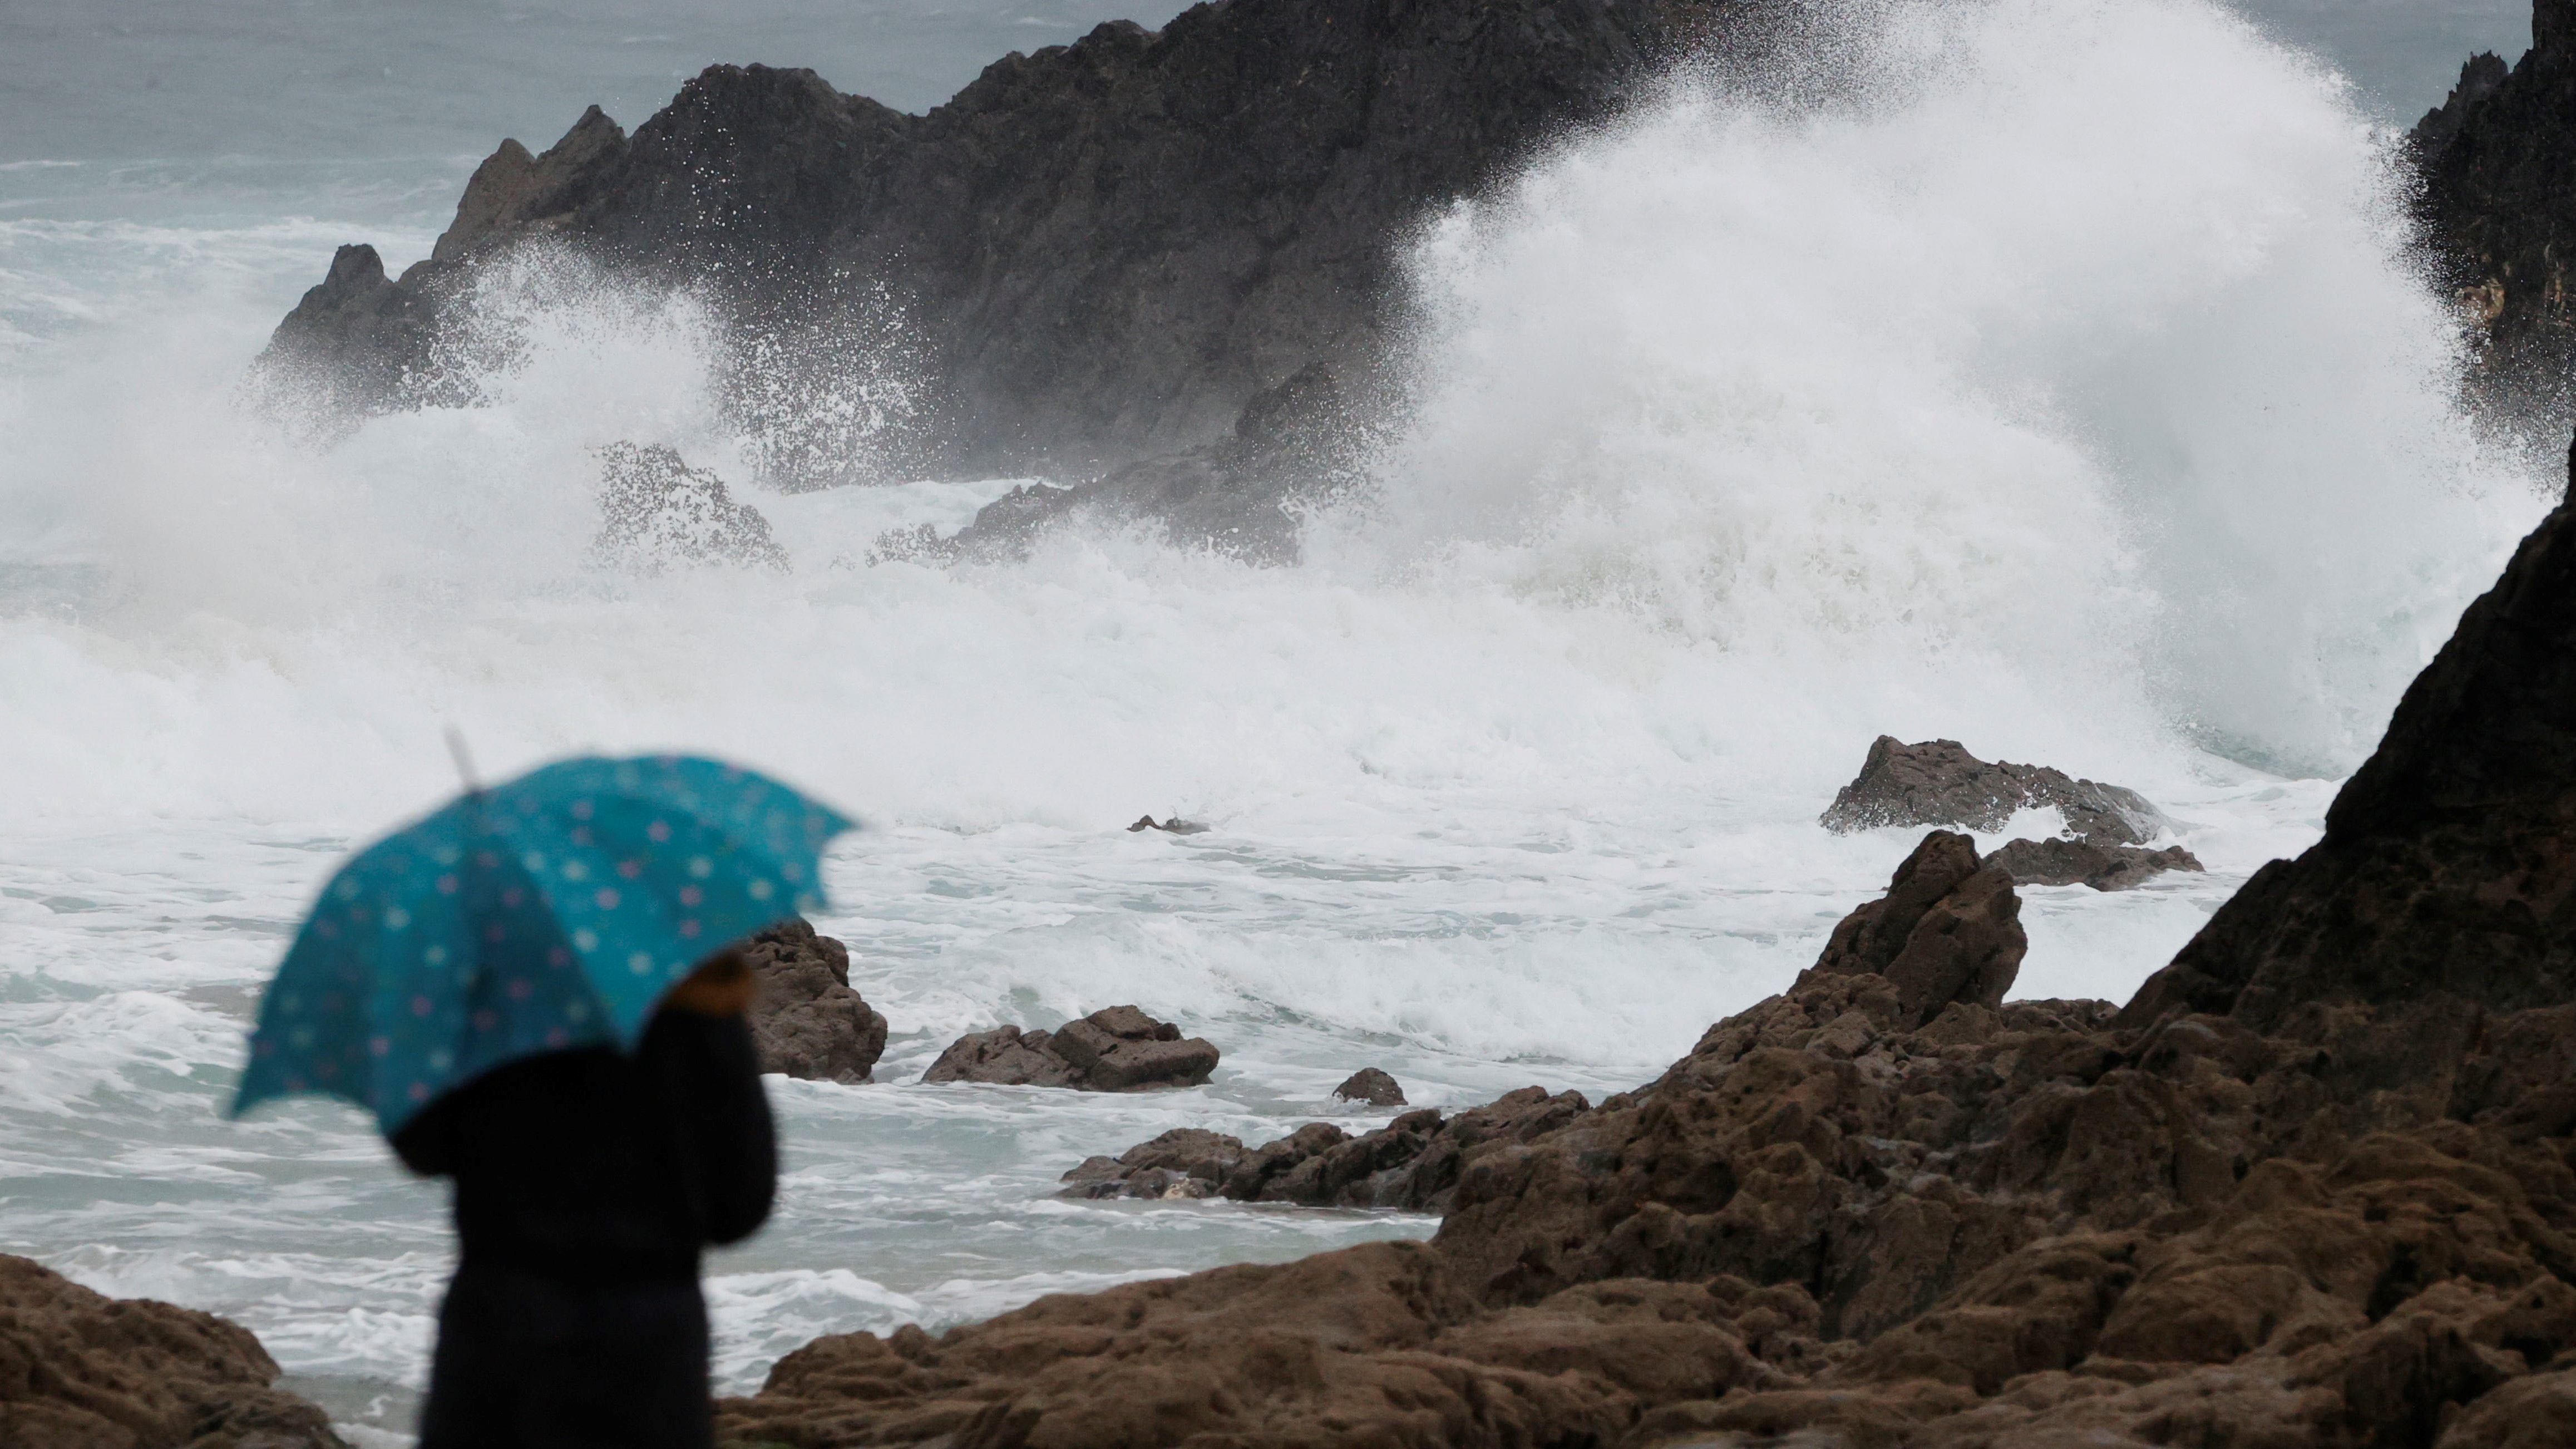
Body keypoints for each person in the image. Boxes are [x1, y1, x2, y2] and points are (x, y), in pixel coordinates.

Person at [392, 949, 774, 1449]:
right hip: (651, 1333)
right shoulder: (699, 1009)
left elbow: (421, 1145)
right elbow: (739, 1208)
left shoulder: (488, 1005)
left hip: (503, 1320)